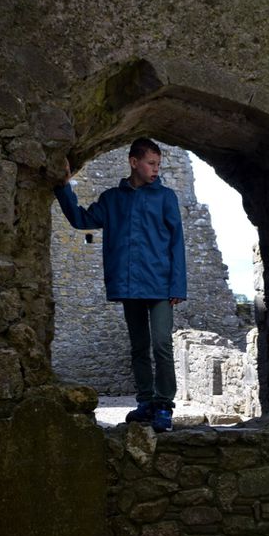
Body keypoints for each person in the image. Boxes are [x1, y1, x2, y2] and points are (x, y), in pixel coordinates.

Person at [53, 138, 187, 432]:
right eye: (151, 163)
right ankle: (145, 403)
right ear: (133, 161)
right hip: (129, 285)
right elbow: (80, 219)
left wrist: (178, 286)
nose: (156, 169)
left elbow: (177, 241)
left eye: (159, 164)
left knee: (162, 344)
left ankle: (164, 405)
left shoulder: (166, 197)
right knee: (139, 346)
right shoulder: (112, 199)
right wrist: (63, 187)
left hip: (162, 285)